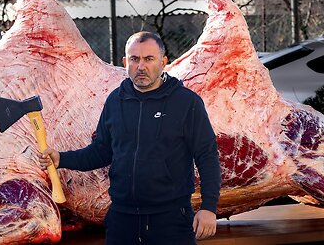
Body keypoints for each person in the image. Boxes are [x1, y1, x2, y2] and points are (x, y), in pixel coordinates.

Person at [39, 31, 221, 245]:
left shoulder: (186, 103)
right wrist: (62, 159)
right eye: (134, 59)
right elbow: (101, 151)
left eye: (149, 59)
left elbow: (207, 156)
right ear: (125, 62)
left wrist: (209, 207)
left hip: (171, 220)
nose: (141, 67)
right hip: (122, 219)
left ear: (163, 62)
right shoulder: (115, 101)